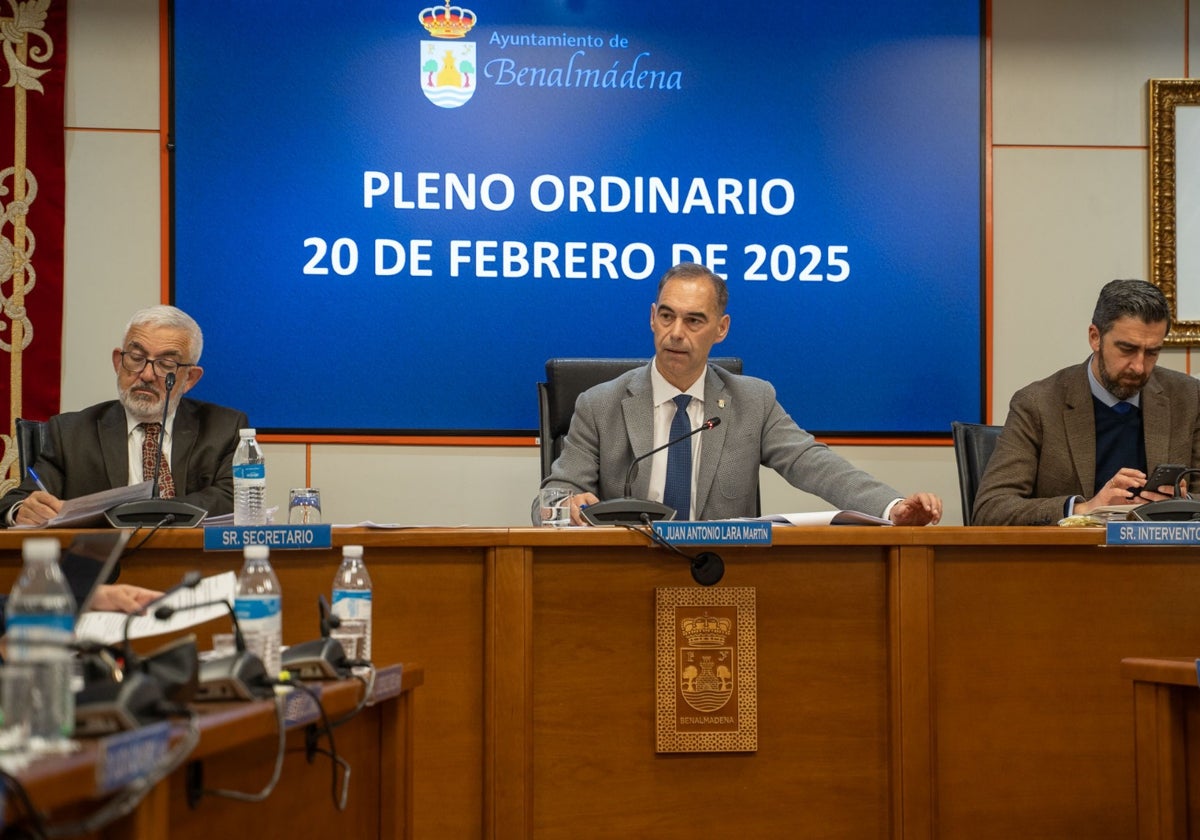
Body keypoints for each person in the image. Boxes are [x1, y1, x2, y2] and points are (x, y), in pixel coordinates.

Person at [534, 262, 943, 526]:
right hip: (622, 577)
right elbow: (549, 499)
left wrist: (892, 508)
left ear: (721, 328)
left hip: (723, 578)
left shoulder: (753, 401)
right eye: (667, 316)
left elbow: (815, 464)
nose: (677, 332)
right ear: (652, 319)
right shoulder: (600, 404)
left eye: (694, 320)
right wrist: (564, 506)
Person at [973, 278, 1200, 526]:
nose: (1139, 366)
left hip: (1162, 560)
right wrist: (1085, 509)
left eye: (1152, 352)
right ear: (1095, 337)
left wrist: (1181, 502)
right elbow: (990, 508)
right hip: (1073, 560)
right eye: (1126, 349)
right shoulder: (1037, 404)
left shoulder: (1188, 397)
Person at [0, 305, 249, 527]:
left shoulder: (224, 428)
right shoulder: (70, 433)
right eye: (136, 358)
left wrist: (152, 512)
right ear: (118, 362)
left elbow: (236, 498)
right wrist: (22, 510)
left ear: (190, 379)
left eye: (165, 364)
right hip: (101, 569)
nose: (147, 374)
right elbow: (16, 501)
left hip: (191, 565)